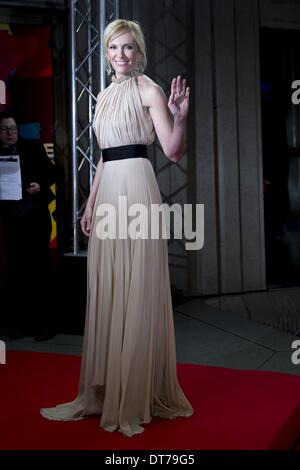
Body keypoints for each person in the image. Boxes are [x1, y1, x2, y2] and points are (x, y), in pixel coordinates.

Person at [40, 19, 193, 437]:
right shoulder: (102, 97)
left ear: (138, 51)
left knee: (137, 288)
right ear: (106, 53)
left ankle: (138, 393)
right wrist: (89, 205)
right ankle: (107, 390)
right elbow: (104, 156)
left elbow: (174, 152)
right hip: (108, 195)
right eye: (113, 48)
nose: (120, 55)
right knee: (109, 286)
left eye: (127, 48)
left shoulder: (151, 91)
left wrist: (180, 117)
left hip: (139, 191)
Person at [0, 111, 56, 341]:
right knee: (17, 273)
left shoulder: (33, 147)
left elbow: (52, 173)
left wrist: (39, 185)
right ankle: (19, 325)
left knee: (39, 272)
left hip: (35, 218)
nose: (10, 133)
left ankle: (43, 326)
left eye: (13, 128)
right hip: (11, 221)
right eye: (4, 129)